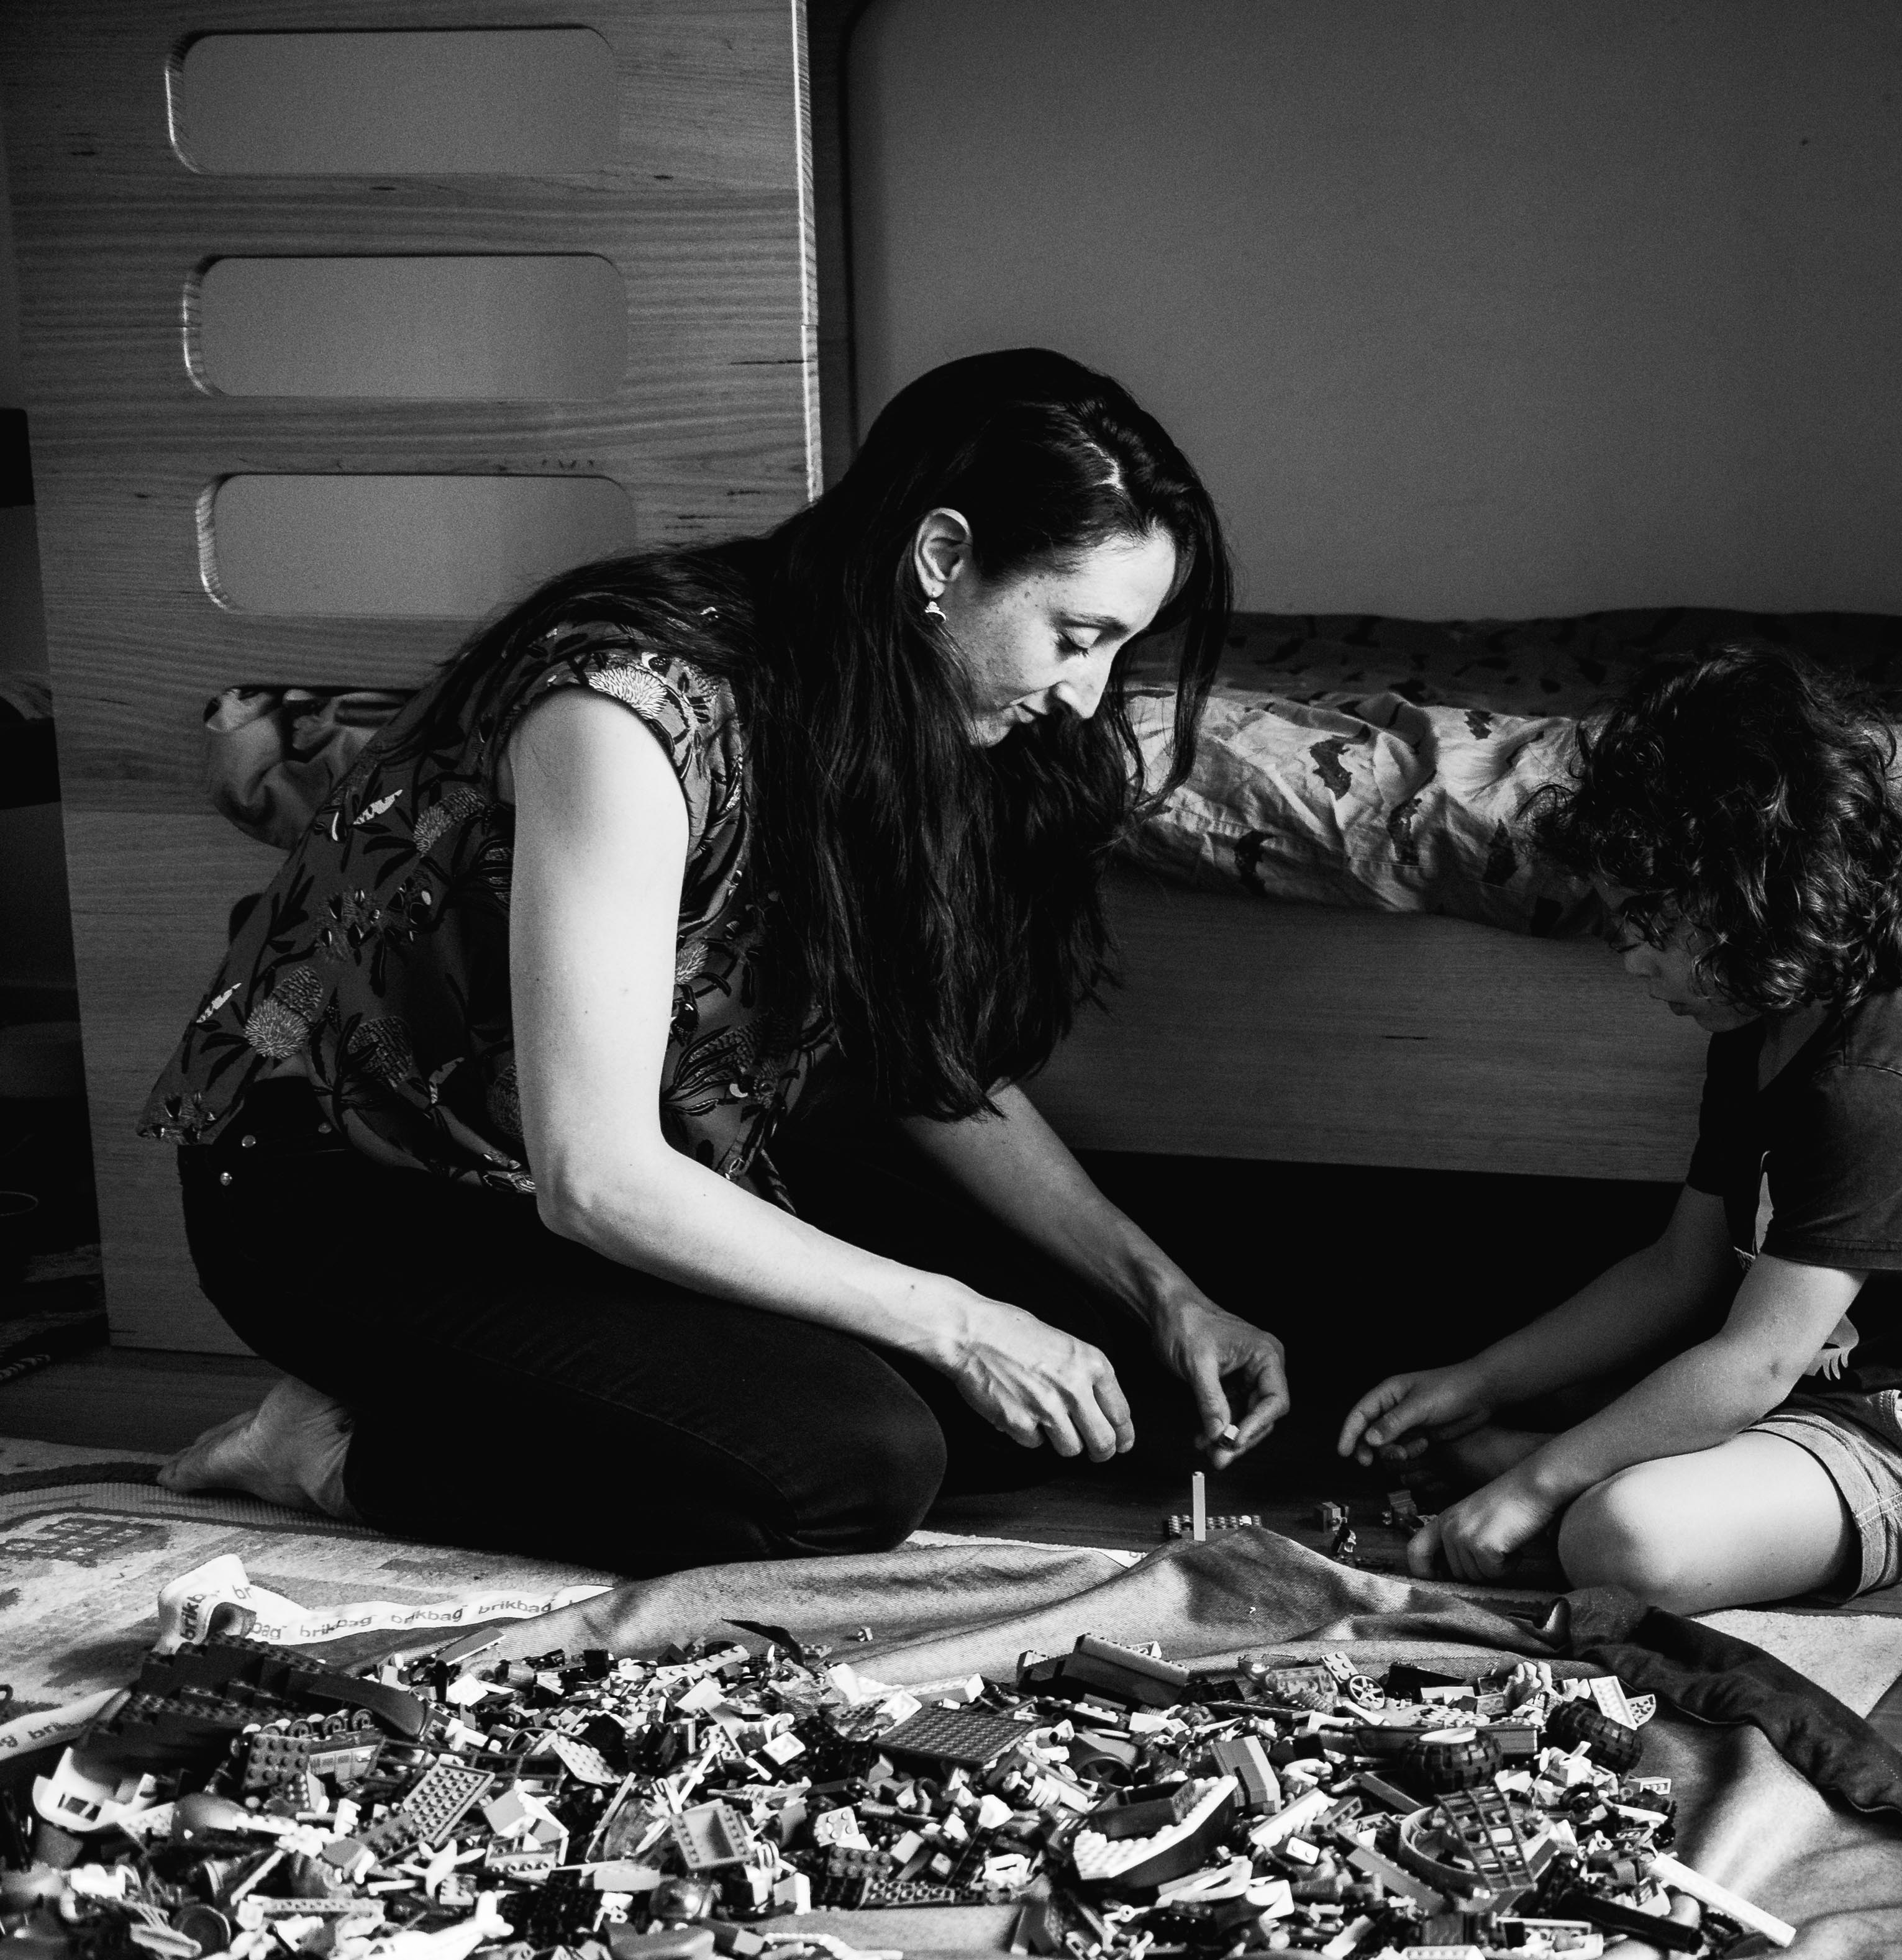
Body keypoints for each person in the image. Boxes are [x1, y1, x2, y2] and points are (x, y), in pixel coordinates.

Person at [148, 350, 1291, 1572]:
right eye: (1077, 634)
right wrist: (958, 1324)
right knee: (854, 1465)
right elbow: (595, 1177)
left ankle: (507, 1397)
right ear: (942, 560)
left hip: (600, 1174)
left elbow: (923, 1062)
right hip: (352, 1192)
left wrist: (1158, 1291)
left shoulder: (885, 693)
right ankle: (330, 1447)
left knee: (1100, 1388)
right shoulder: (624, 709)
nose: (1086, 695)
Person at [1337, 647, 1902, 1612]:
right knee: (1497, 1437)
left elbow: (1756, 1362)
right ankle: (1556, 1474)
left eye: (1649, 929)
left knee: (1626, 1539)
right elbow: (1678, 1271)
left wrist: (1534, 1486)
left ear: (1756, 904)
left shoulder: (1877, 1082)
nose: (1632, 964)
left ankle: (1562, 1492)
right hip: (1799, 1399)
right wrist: (1480, 1379)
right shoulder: (1752, 1030)